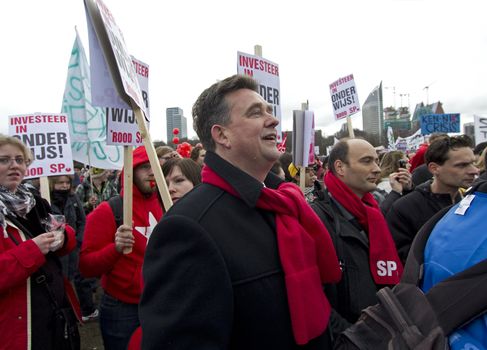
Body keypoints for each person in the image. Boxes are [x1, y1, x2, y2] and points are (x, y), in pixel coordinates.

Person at [140, 75, 341, 349]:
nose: (272, 120)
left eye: (270, 112)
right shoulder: (186, 228)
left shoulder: (285, 204)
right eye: (256, 113)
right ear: (222, 135)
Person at [310, 138, 404, 338]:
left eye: (377, 161)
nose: (377, 169)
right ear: (340, 167)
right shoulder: (316, 220)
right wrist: (355, 338)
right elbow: (313, 297)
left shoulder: (373, 212)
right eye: (366, 161)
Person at [79, 146, 163, 350]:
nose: (152, 171)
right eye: (144, 167)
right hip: (123, 310)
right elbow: (86, 266)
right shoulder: (109, 211)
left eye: (155, 166)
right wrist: (115, 249)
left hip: (162, 303)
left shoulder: (167, 203)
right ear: (130, 171)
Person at [0, 135, 79, 350]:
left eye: (19, 159)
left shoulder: (33, 200)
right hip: (15, 328)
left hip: (53, 315)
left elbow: (63, 230)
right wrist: (33, 250)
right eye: (4, 160)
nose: (14, 165)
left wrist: (62, 237)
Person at [386, 135, 479, 262]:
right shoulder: (405, 208)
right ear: (434, 168)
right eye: (462, 165)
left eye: (473, 163)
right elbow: (403, 260)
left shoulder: (473, 203)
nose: (474, 170)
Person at [49, 175, 98, 322]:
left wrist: (79, 239)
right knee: (59, 281)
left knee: (79, 277)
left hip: (74, 246)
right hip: (55, 250)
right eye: (60, 182)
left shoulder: (73, 197)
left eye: (66, 182)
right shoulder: (45, 199)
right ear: (52, 183)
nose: (64, 186)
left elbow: (82, 220)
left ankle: (84, 309)